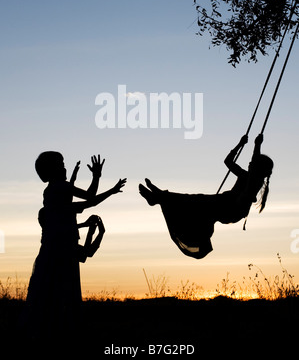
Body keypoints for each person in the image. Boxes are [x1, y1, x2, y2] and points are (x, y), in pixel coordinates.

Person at [25, 151, 126, 340]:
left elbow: (70, 203)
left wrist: (75, 176)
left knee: (50, 292)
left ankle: (49, 331)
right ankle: (60, 333)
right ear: (53, 168)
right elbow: (91, 197)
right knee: (62, 291)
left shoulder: (52, 192)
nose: (64, 167)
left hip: (54, 249)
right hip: (62, 251)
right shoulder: (60, 189)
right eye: (61, 164)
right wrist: (100, 180)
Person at [139, 134, 273, 259]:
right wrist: (240, 145)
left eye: (254, 164)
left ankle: (160, 197)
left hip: (232, 209)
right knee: (195, 201)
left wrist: (257, 145)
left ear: (259, 168)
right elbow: (227, 161)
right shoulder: (245, 175)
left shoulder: (256, 181)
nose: (250, 163)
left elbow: (254, 162)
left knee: (195, 201)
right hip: (226, 205)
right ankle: (160, 197)